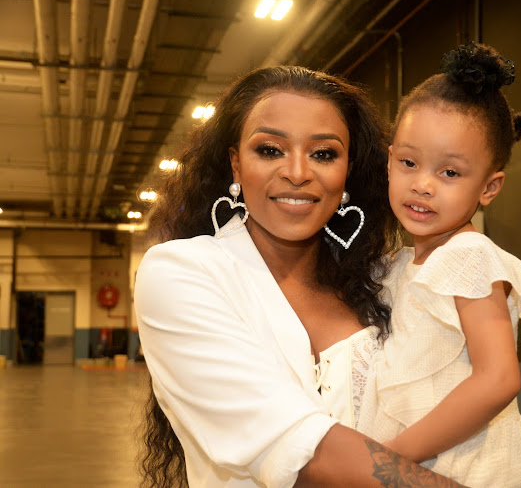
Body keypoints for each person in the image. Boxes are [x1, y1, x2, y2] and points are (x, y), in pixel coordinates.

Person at [134, 66, 463, 487]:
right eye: (269, 150)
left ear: (348, 172)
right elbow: (291, 446)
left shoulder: (390, 280)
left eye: (323, 154)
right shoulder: (181, 273)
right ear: (235, 164)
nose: (297, 172)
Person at [356, 42, 521, 487]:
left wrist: (385, 460)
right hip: (426, 465)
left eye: (450, 172)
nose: (423, 184)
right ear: (389, 162)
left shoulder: (468, 256)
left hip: (472, 468)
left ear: (489, 187)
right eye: (409, 162)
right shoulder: (401, 263)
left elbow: (498, 379)